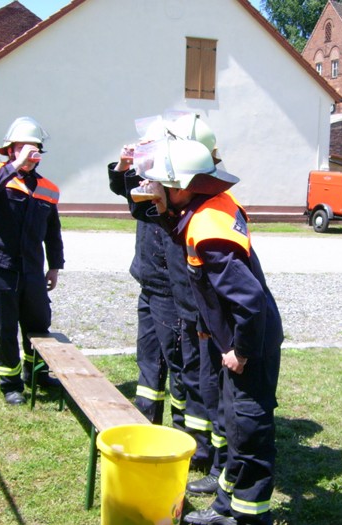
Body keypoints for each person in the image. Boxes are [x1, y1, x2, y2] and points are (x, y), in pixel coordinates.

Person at [142, 139, 282, 525]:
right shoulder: (205, 209)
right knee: (234, 426)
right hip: (233, 339)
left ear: (181, 187)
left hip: (248, 345)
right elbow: (194, 258)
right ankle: (225, 507)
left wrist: (241, 350)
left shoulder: (209, 231)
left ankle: (248, 516)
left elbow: (249, 300)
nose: (152, 189)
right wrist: (210, 330)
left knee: (248, 429)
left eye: (160, 184)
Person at [108, 114, 226, 484]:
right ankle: (148, 427)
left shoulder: (189, 191)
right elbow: (133, 200)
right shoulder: (162, 181)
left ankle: (194, 445)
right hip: (153, 284)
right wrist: (125, 167)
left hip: (176, 293)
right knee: (151, 365)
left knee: (185, 370)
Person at [0, 117, 64, 405]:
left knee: (38, 323)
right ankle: (11, 385)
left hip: (32, 269)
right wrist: (14, 166)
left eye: (33, 148)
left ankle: (36, 374)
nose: (29, 153)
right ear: (10, 149)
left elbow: (53, 231)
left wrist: (55, 266)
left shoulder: (48, 188)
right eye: (22, 147)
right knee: (3, 327)